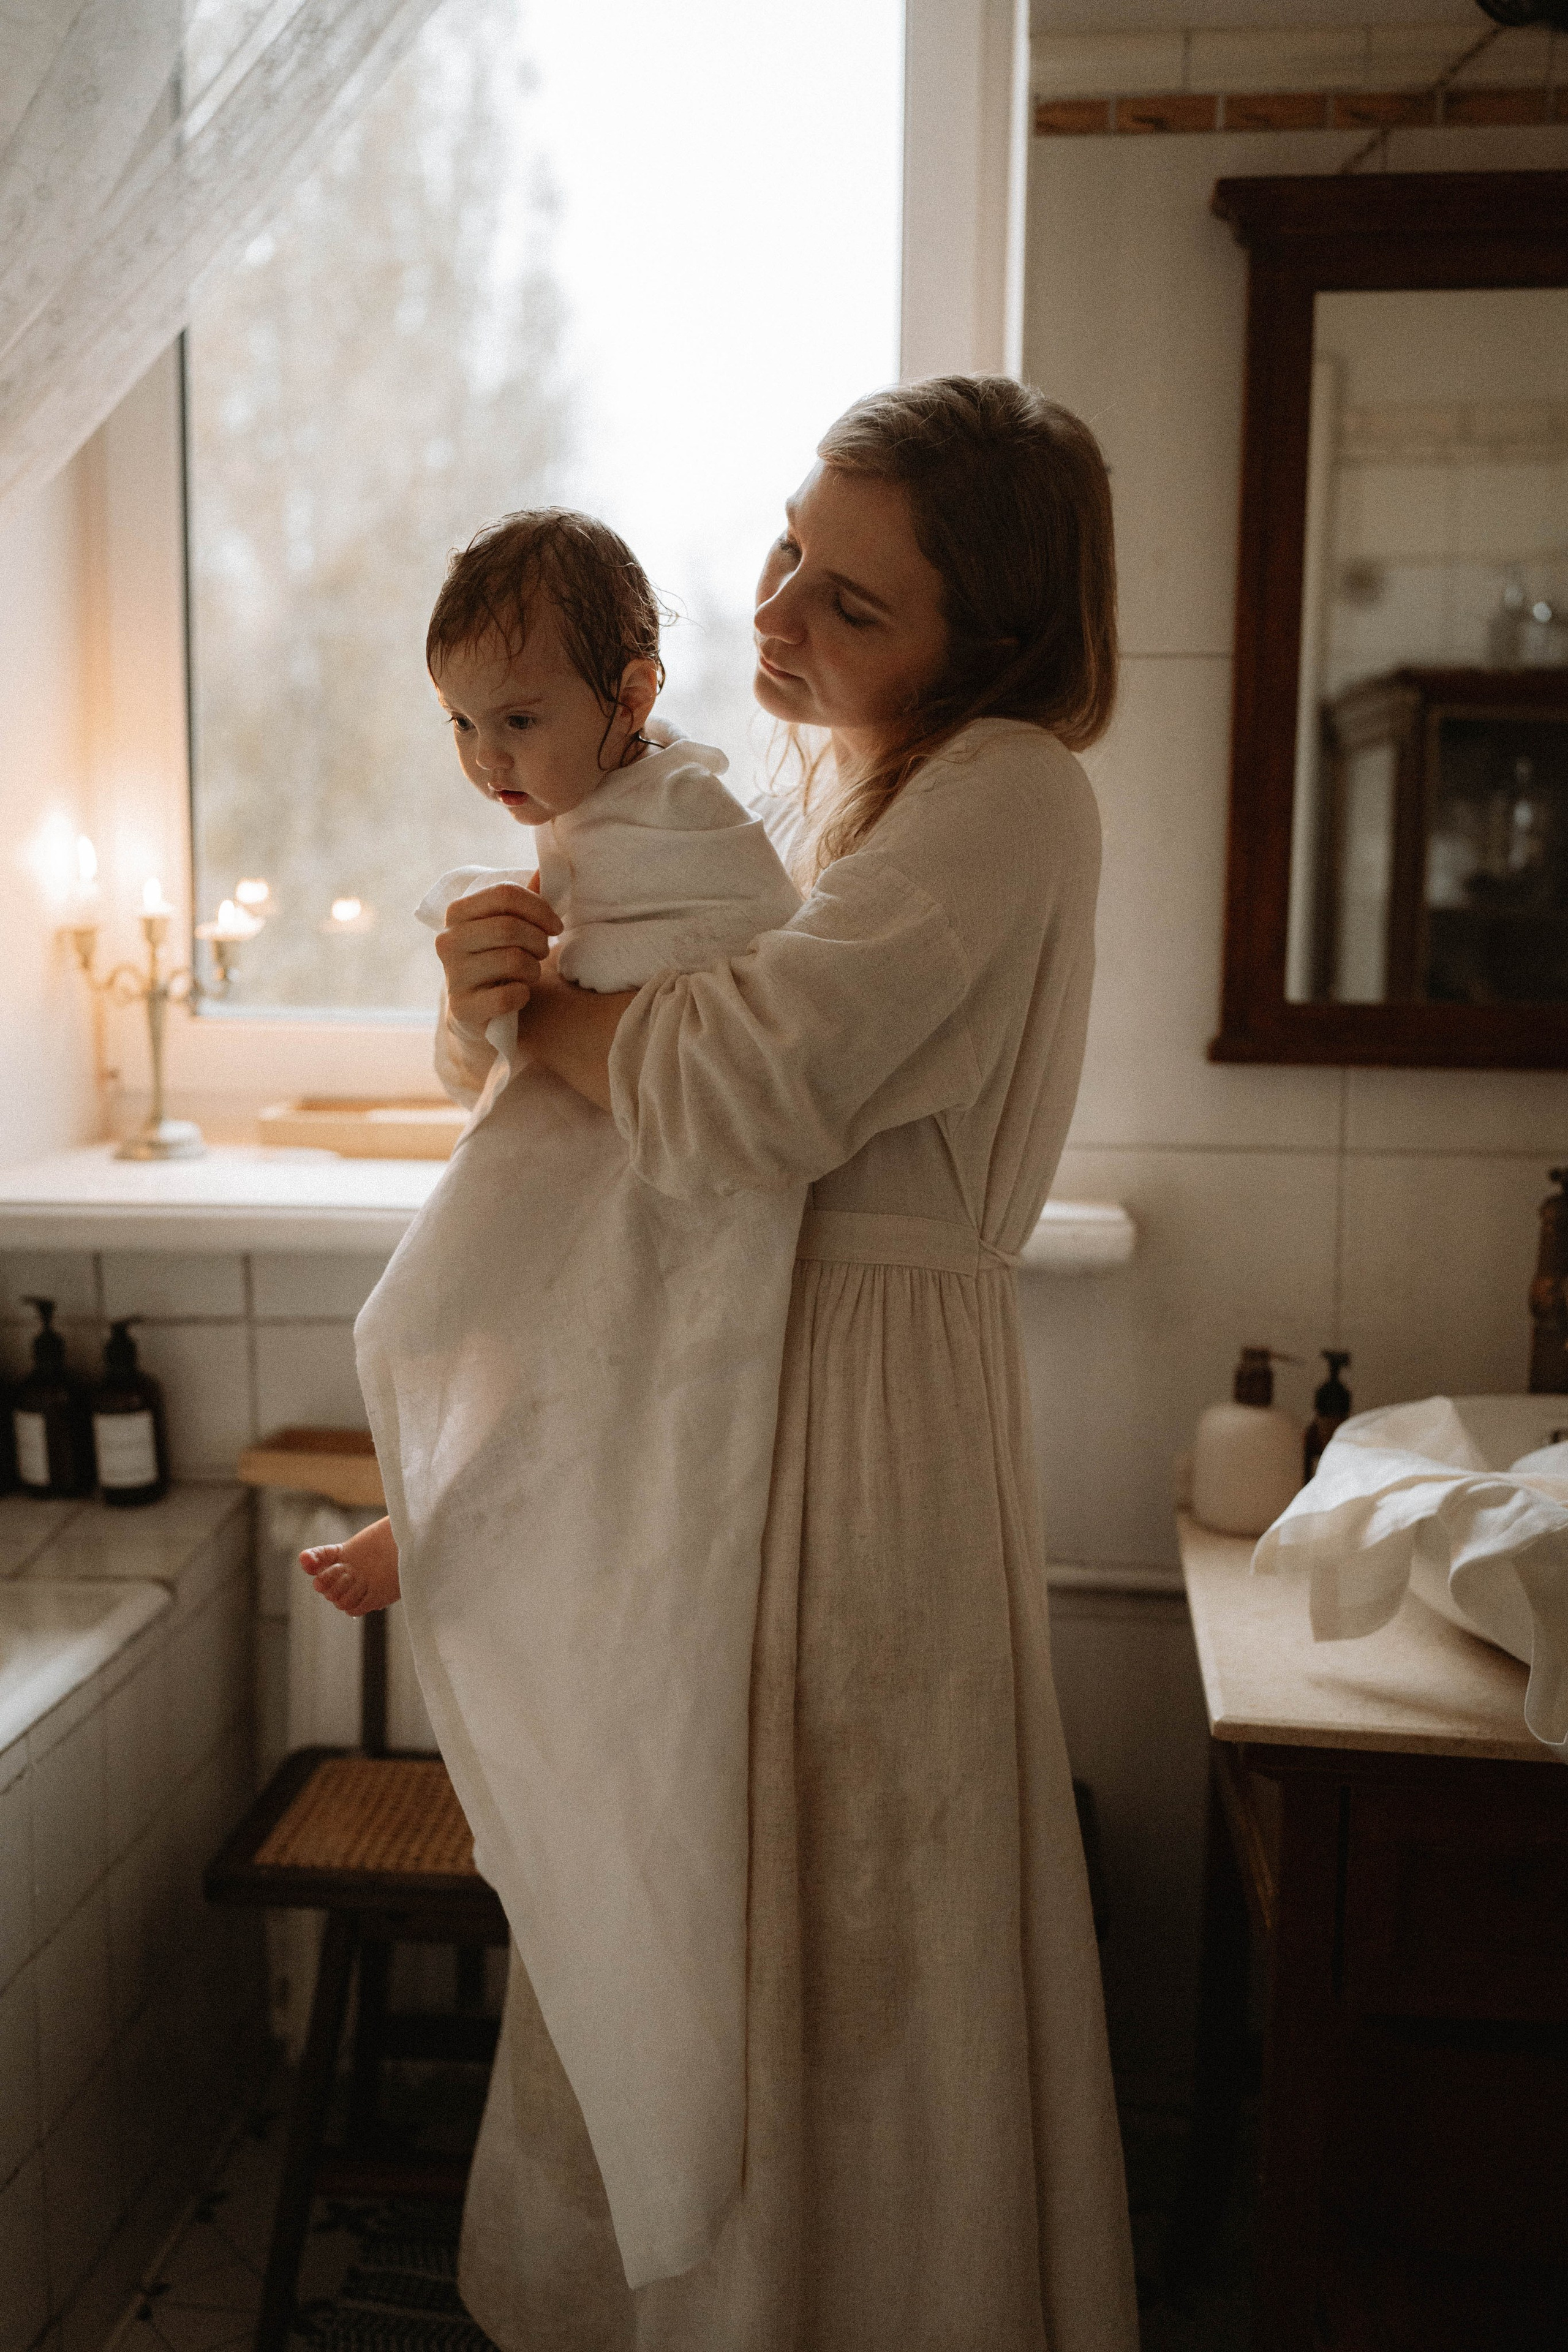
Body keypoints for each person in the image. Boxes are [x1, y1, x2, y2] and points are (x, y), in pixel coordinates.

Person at [417, 374, 1140, 2352]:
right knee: (721, 1898)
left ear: (982, 639)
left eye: (852, 601)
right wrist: (498, 1015)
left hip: (866, 1418)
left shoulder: (1006, 788)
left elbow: (745, 1087)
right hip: (757, 1377)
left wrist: (552, 1010)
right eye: (791, 554)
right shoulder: (838, 791)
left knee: (847, 1917)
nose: (783, 615)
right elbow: (646, 1116)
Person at [305, 508, 813, 2291]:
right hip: (601, 1236)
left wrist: (522, 1012)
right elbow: (502, 1074)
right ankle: (434, 1514)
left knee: (561, 1384)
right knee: (525, 1348)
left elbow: (729, 1023)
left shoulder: (697, 847)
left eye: (519, 719)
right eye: (460, 725)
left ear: (635, 694)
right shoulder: (589, 850)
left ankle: (433, 1520)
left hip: (681, 1242)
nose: (487, 763)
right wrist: (475, 997)